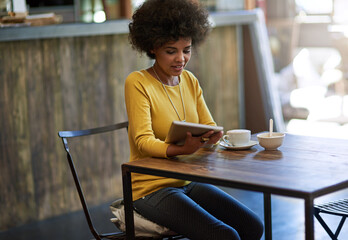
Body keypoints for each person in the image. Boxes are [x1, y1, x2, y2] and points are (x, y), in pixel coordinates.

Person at [124, 0, 264, 239]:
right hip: (150, 188)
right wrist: (179, 148)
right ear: (152, 47)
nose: (181, 58)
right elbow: (142, 142)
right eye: (171, 51)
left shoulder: (189, 81)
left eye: (186, 50)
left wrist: (212, 136)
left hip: (188, 180)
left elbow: (209, 126)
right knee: (225, 236)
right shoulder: (137, 82)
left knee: (253, 226)